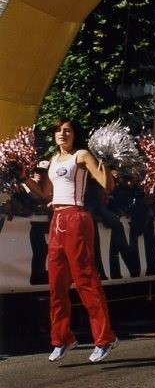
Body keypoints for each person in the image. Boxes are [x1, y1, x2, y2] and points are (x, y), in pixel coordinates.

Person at [23, 117, 119, 363]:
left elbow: (107, 184)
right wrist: (21, 175)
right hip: (57, 220)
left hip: (77, 218)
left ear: (75, 135)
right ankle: (62, 338)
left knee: (85, 279)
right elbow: (45, 193)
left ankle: (105, 338)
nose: (62, 134)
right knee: (56, 283)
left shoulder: (82, 155)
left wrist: (105, 161)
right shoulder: (53, 160)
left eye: (67, 130)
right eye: (58, 131)